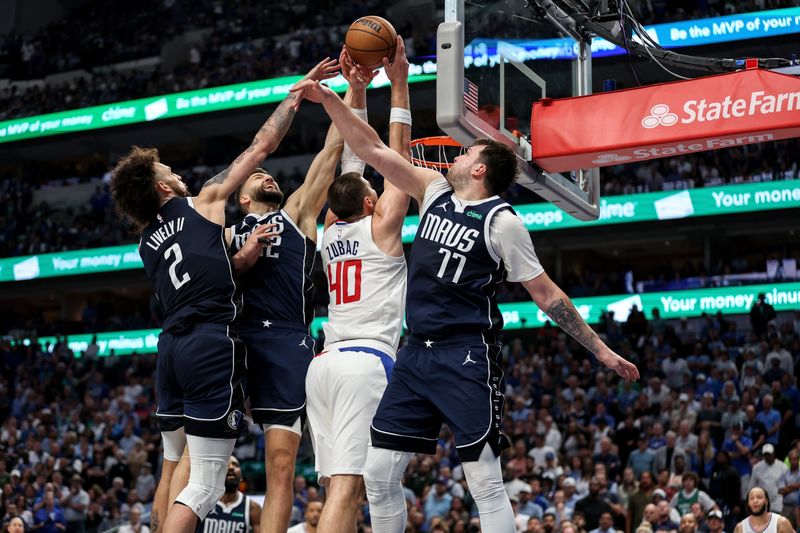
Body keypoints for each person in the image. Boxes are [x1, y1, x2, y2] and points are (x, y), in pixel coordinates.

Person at [291, 59, 639, 533]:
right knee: (377, 473)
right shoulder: (432, 190)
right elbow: (369, 149)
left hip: (466, 355)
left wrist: (600, 351)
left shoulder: (504, 223)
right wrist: (332, 99)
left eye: (461, 153)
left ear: (477, 169)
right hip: (415, 355)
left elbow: (546, 294)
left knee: (485, 483)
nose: (449, 156)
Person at [110, 57, 339, 533]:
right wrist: (295, 95)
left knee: (174, 465)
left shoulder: (145, 241)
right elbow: (261, 145)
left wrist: (238, 261)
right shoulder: (206, 202)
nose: (177, 171)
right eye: (168, 168)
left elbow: (203, 272)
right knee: (206, 485)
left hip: (169, 348)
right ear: (162, 185)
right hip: (210, 344)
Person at [227, 59, 345, 533]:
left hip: (285, 343)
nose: (268, 177)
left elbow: (332, 150)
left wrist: (344, 94)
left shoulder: (297, 212)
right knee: (199, 460)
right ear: (242, 198)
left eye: (272, 175)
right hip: (232, 346)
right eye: (259, 178)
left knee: (280, 470)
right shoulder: (223, 229)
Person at [305, 42, 411, 533]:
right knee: (350, 488)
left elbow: (352, 162)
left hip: (323, 365)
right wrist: (400, 83)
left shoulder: (331, 228)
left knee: (336, 491)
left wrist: (355, 88)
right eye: (375, 188)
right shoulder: (382, 226)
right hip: (364, 363)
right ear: (372, 203)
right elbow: (390, 156)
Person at [195, 456, 261, 532]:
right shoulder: (203, 501)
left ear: (241, 477)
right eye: (226, 465)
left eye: (235, 465)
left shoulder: (252, 508)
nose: (231, 467)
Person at [749, 444, 789, 514]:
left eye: (769, 454)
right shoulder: (757, 468)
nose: (767, 456)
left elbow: (787, 486)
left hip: (778, 504)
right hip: (762, 505)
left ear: (773, 453)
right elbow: (752, 486)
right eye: (765, 454)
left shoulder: (783, 467)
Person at [778, 450, 800, 528]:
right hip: (786, 507)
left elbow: (785, 489)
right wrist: (796, 486)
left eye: (795, 459)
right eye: (791, 459)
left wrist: (789, 486)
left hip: (799, 507)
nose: (793, 461)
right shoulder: (784, 474)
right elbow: (780, 491)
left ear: (798, 460)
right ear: (789, 460)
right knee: (782, 529)